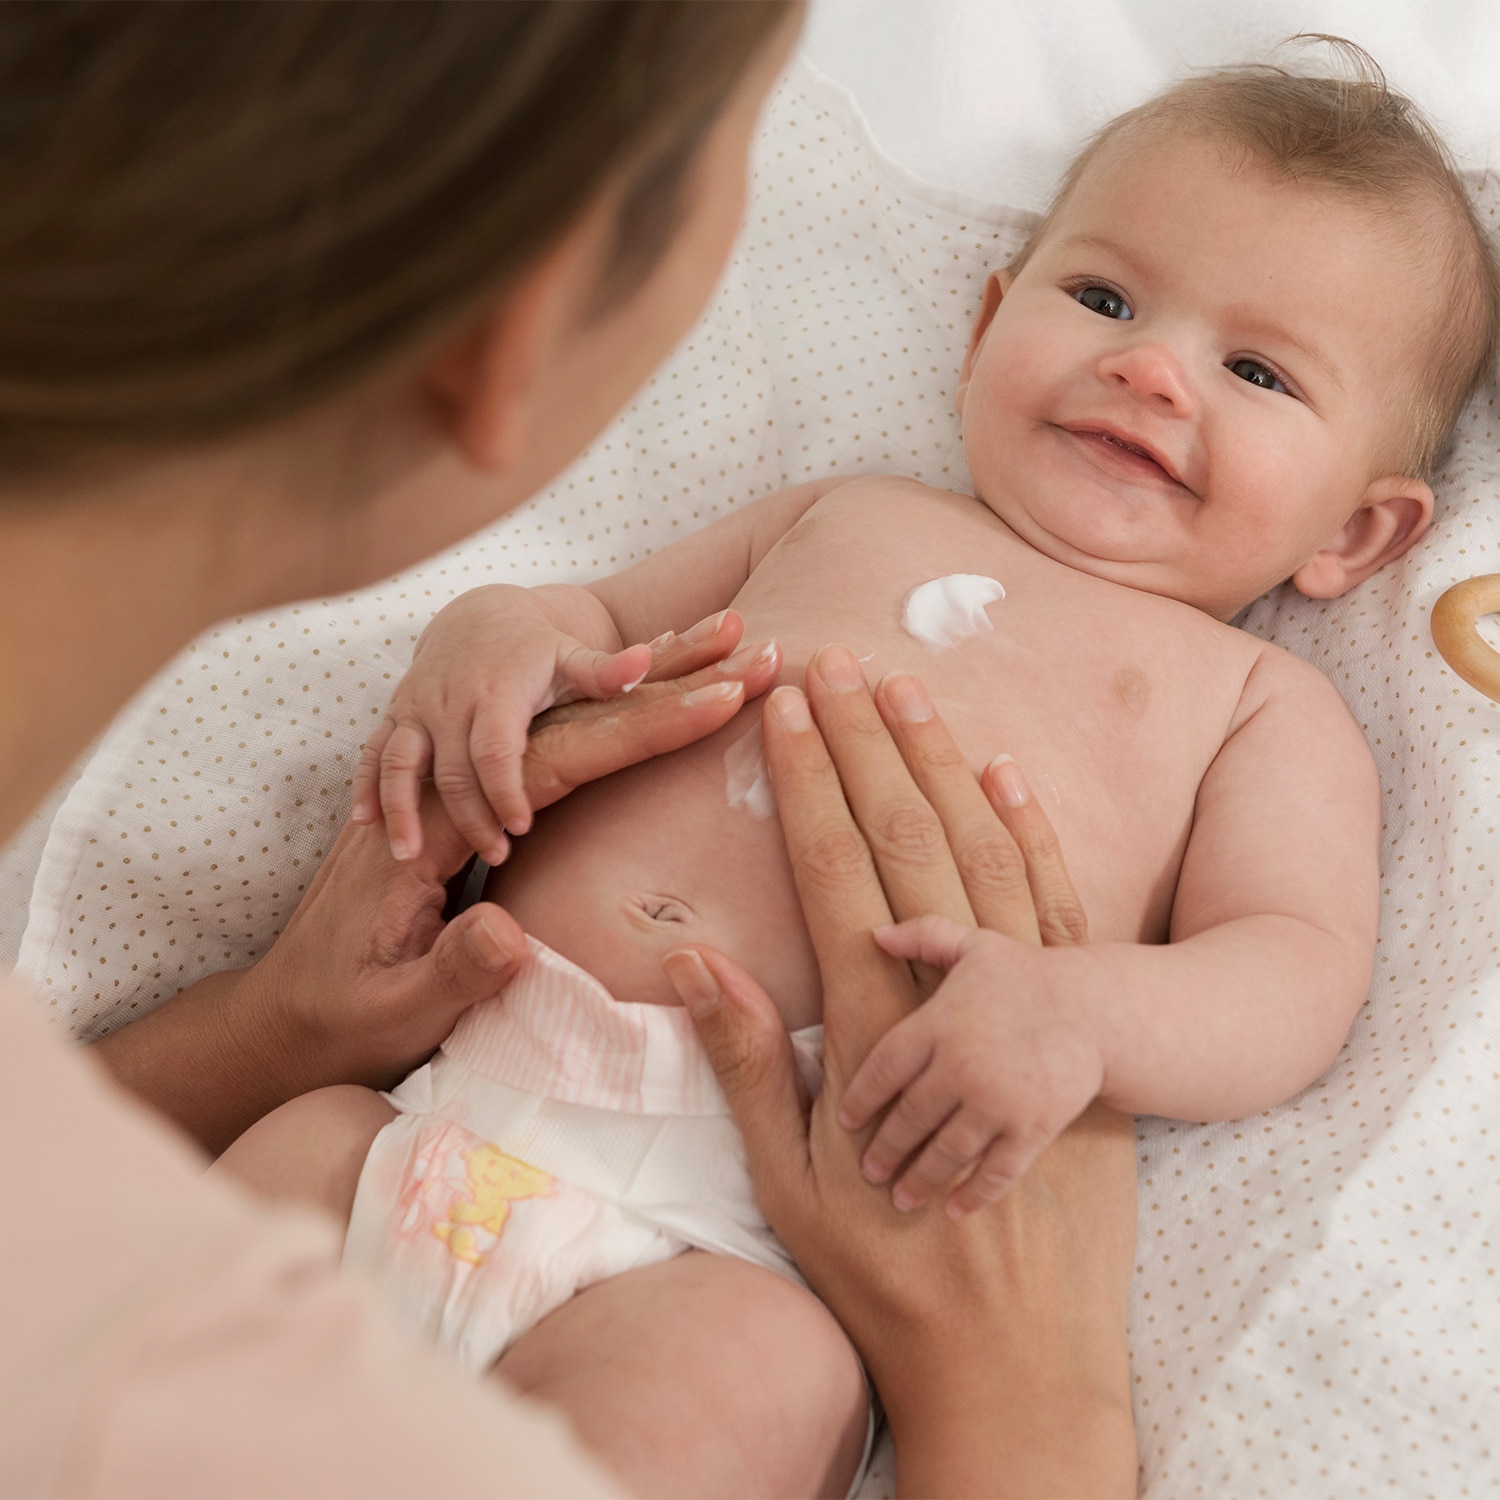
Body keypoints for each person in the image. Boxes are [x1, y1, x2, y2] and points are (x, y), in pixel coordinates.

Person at [215, 49, 1500, 1494]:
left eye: (1256, 370)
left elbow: (1294, 972)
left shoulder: (1259, 704)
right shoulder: (844, 514)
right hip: (426, 1108)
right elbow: (590, 626)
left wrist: (1083, 1017)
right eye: (1105, 299)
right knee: (207, 1245)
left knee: (752, 1388)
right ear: (985, 329)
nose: (1147, 368)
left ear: (1360, 539)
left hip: (739, 1243)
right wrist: (490, 633)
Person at [0, 5, 1138, 1497]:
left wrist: (271, 1027)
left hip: (667, 1221)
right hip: (466, 1127)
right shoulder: (845, 511)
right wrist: (1034, 1419)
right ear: (504, 342)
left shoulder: (1247, 699)